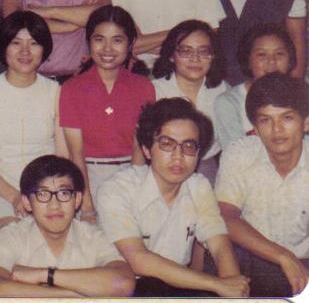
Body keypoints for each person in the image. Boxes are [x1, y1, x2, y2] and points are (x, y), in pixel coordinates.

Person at [96, 98, 249, 297]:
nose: (178, 156)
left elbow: (220, 245)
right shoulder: (116, 190)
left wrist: (233, 288)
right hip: (128, 289)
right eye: (167, 144)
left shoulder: (198, 186)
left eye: (188, 146)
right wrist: (217, 285)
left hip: (179, 285)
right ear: (146, 150)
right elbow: (137, 259)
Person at [0, 155, 134, 297]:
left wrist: (45, 275)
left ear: (77, 199)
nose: (54, 205)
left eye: (64, 193)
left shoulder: (93, 237)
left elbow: (123, 283)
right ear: (27, 202)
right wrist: (72, 295)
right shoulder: (13, 235)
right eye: (42, 194)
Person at [216, 73, 309, 297]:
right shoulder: (240, 153)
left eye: (287, 118)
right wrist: (282, 256)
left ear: (306, 123)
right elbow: (225, 217)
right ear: (255, 127)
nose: (277, 130)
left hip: (303, 264)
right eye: (266, 120)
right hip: (250, 260)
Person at [59, 5, 155, 222]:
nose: (107, 49)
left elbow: (138, 148)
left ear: (130, 43)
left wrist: (134, 196)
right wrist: (86, 205)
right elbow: (76, 153)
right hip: (87, 178)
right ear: (89, 42)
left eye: (117, 40)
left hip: (132, 173)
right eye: (99, 39)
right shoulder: (72, 88)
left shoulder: (143, 87)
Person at [0, 11, 68, 224]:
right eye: (16, 43)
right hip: (0, 193)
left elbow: (63, 156)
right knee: (13, 235)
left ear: (44, 49)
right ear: (4, 47)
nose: (25, 51)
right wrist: (15, 197)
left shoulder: (56, 93)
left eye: (33, 43)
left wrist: (44, 195)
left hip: (47, 190)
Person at [152, 20, 228, 182]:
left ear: (213, 56)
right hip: (162, 169)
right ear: (171, 55)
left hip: (207, 168)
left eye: (203, 51)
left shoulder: (223, 91)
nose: (195, 59)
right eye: (186, 51)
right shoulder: (154, 91)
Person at [214, 23, 296, 150]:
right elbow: (236, 154)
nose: (271, 61)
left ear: (290, 59)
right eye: (261, 55)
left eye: (279, 54)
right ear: (248, 60)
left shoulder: (301, 95)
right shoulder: (229, 103)